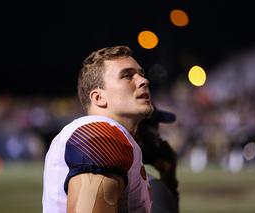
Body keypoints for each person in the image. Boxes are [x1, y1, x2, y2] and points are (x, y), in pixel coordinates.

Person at [42, 46, 154, 213]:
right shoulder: (99, 134)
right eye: (127, 76)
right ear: (99, 97)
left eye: (141, 74)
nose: (144, 81)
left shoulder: (112, 135)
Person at [134, 105, 179, 213]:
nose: (159, 135)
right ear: (138, 132)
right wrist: (169, 183)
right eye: (155, 127)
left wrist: (168, 176)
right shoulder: (148, 188)